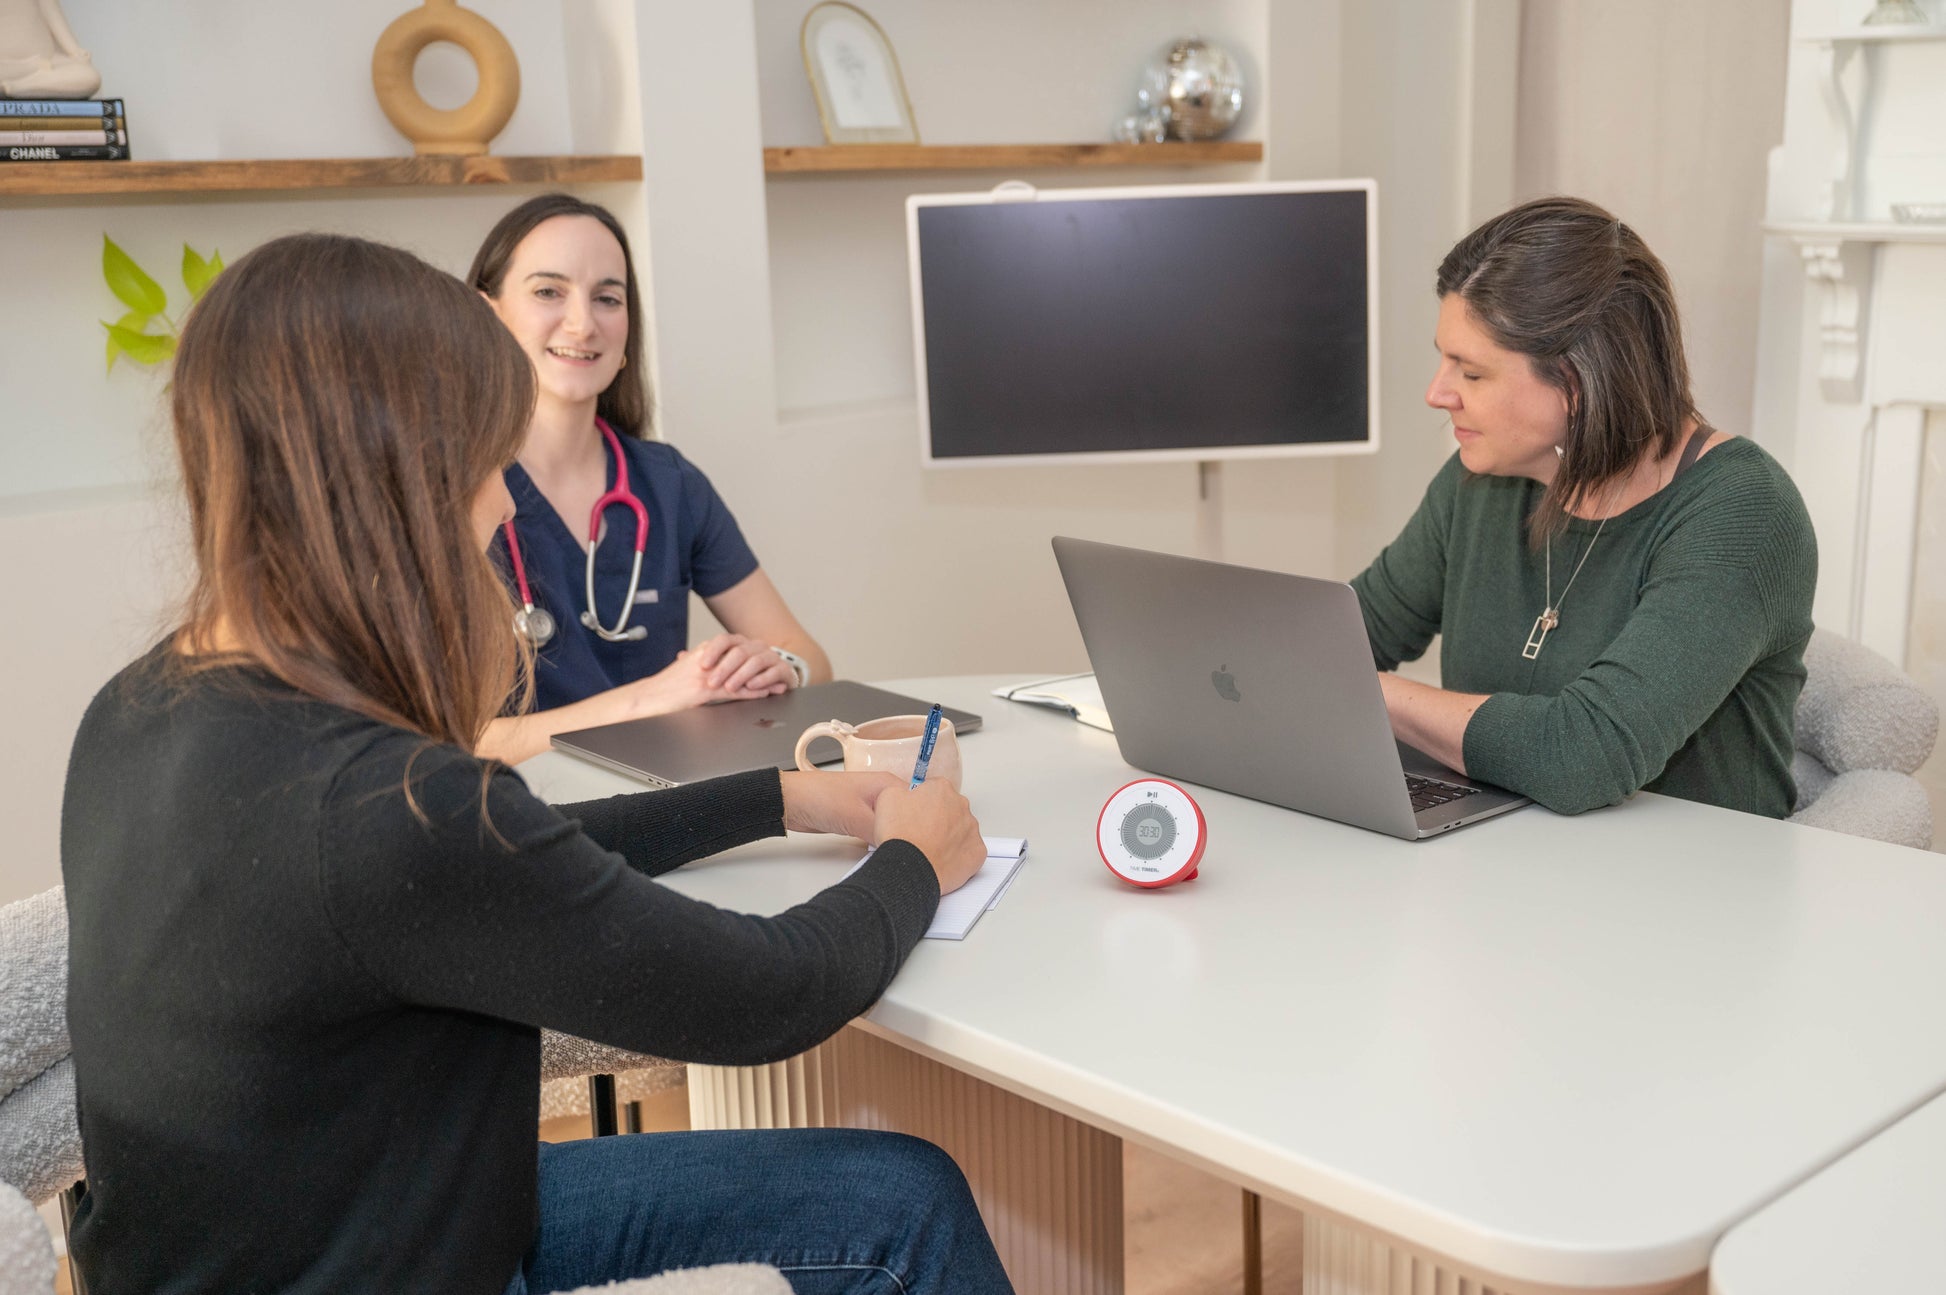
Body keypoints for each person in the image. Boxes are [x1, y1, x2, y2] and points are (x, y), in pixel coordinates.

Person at [60, 232, 1012, 1295]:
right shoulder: (383, 808)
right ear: (399, 477)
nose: (506, 505)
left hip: (325, 1222)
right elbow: (766, 994)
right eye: (484, 461)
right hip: (393, 1257)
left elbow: (505, 863)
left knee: (898, 1192)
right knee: (902, 1208)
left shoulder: (139, 707)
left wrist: (778, 795)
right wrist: (916, 856)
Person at [1352, 196, 1817, 818]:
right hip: (1511, 862)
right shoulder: (1481, 482)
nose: (1437, 394)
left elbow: (1584, 754)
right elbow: (1343, 639)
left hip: (1690, 891)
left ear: (1575, 381)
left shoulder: (1743, 511)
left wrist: (1365, 694)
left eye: (1472, 373)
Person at [468, 193, 830, 764]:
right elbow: (453, 742)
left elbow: (807, 655)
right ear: (487, 314)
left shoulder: (670, 485)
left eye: (607, 298)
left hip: (667, 804)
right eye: (548, 292)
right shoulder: (453, 493)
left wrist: (777, 667)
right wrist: (656, 699)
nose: (583, 323)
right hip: (524, 819)